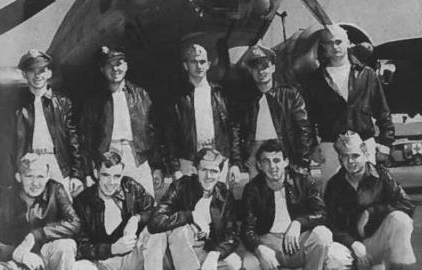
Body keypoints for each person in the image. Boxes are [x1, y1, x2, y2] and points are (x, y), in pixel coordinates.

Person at [302, 24, 395, 185]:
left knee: (369, 194)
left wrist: (386, 142)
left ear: (348, 43)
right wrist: (311, 146)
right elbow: (307, 118)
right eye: (329, 43)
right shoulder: (314, 80)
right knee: (333, 198)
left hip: (364, 143)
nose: (335, 46)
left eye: (339, 41)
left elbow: (383, 111)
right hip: (330, 146)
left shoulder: (367, 74)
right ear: (323, 47)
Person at [241, 139, 346, 270]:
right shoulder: (252, 189)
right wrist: (259, 248)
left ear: (286, 162)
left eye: (277, 160)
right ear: (259, 165)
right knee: (249, 264)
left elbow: (322, 213)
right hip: (269, 243)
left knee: (323, 235)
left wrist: (298, 223)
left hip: (297, 240)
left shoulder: (302, 180)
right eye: (266, 161)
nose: (272, 166)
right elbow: (247, 228)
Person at [325, 131, 415, 270]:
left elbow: (407, 204)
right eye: (345, 157)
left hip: (376, 242)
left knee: (400, 220)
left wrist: (372, 212)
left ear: (365, 155)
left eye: (355, 155)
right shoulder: (334, 185)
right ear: (340, 159)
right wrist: (353, 244)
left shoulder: (381, 175)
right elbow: (330, 222)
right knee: (332, 260)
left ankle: (397, 266)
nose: (350, 161)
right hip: (348, 246)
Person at [79, 45, 162, 196]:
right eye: (109, 65)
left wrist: (156, 166)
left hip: (136, 155)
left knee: (146, 199)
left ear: (126, 65)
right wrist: (86, 171)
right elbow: (86, 138)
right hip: (107, 155)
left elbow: (152, 132)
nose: (115, 69)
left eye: (119, 63)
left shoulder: (141, 95)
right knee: (111, 201)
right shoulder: (94, 101)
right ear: (102, 69)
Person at [0, 153, 81, 270]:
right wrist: (16, 253)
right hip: (16, 258)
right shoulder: (7, 196)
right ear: (19, 177)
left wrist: (37, 235)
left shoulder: (55, 190)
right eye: (29, 176)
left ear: (47, 177)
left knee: (66, 245)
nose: (35, 183)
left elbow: (74, 222)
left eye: (40, 177)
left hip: (46, 256)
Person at [147, 148, 242, 270]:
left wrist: (214, 255)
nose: (209, 176)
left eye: (214, 171)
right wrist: (190, 216)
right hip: (179, 250)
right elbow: (155, 221)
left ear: (220, 173)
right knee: (182, 230)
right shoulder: (180, 187)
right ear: (195, 171)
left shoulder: (224, 193)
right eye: (204, 170)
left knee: (234, 262)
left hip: (206, 249)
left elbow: (232, 235)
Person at [230, 44, 313, 179]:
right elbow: (236, 131)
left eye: (265, 66)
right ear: (250, 71)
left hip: (283, 148)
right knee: (257, 193)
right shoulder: (244, 100)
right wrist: (236, 161)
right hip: (255, 151)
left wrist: (302, 162)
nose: (261, 71)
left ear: (273, 68)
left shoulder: (290, 95)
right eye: (256, 68)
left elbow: (304, 129)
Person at [14, 49, 84, 197]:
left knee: (65, 210)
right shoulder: (19, 108)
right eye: (31, 71)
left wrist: (76, 174)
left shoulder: (63, 102)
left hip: (57, 162)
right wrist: (17, 170)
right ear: (24, 75)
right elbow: (13, 143)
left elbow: (73, 140)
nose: (37, 75)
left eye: (42, 70)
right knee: (33, 213)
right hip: (31, 164)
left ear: (49, 73)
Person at [73, 151, 160, 270]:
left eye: (116, 176)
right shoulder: (82, 202)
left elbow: (156, 211)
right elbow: (81, 248)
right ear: (96, 173)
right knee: (79, 267)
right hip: (101, 262)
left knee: (157, 231)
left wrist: (136, 218)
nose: (111, 182)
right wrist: (112, 249)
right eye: (106, 175)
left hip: (131, 259)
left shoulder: (130, 187)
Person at [165, 43, 237, 183]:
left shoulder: (220, 94)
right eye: (193, 62)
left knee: (219, 201)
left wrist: (235, 163)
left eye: (202, 62)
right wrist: (175, 168)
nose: (199, 66)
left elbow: (232, 130)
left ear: (208, 65)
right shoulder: (177, 99)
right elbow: (170, 136)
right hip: (189, 162)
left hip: (218, 159)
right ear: (186, 65)